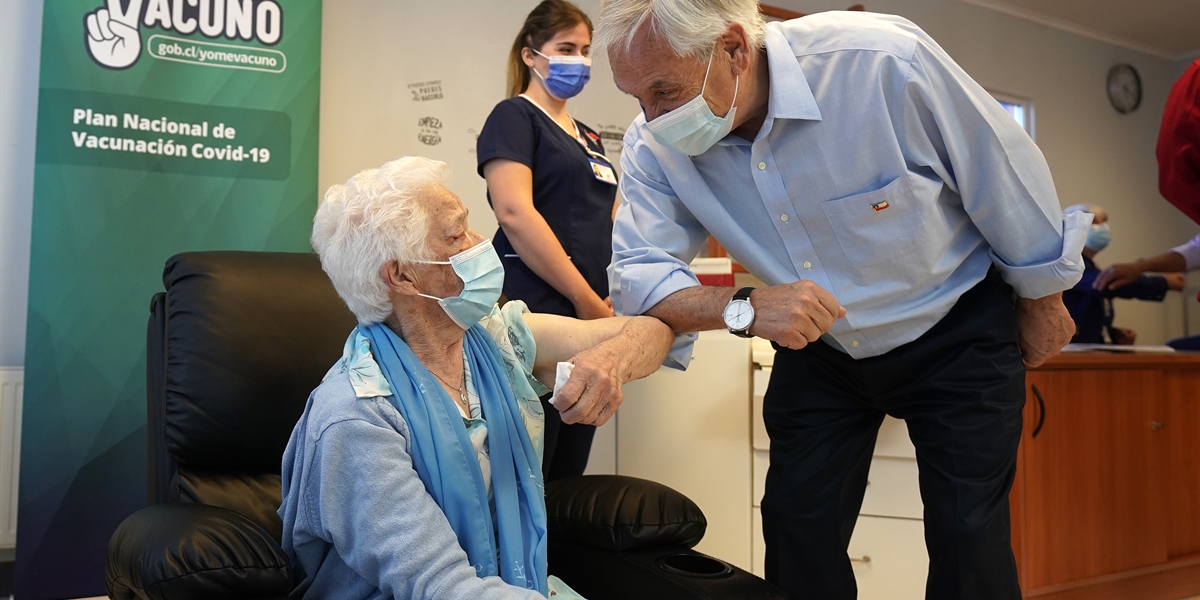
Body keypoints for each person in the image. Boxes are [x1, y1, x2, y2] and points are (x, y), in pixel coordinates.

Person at [592, 2, 1087, 599]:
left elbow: (1000, 173)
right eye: (635, 97)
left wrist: (1041, 298)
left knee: (967, 535)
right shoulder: (657, 143)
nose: (651, 118)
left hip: (954, 326)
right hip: (823, 348)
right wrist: (742, 307)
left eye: (664, 90)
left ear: (733, 49)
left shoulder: (878, 62)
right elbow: (638, 273)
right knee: (797, 528)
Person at [279, 157, 673, 599]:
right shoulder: (356, 418)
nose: (480, 242)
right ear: (402, 275)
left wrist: (613, 359)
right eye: (456, 234)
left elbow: (655, 331)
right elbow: (443, 587)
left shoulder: (494, 341)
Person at [477, 0, 619, 481]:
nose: (578, 60)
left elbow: (610, 222)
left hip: (591, 316)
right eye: (565, 48)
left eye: (584, 50)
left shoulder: (589, 137)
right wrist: (585, 299)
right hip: (535, 309)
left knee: (567, 476)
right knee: (526, 474)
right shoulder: (514, 117)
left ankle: (563, 561)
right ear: (530, 55)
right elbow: (515, 213)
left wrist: (613, 298)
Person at [1059, 205, 1184, 344]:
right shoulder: (1067, 262)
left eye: (1103, 223)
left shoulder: (1089, 265)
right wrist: (1164, 282)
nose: (1103, 228)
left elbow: (1083, 312)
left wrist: (1112, 332)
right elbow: (1103, 285)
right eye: (1095, 222)